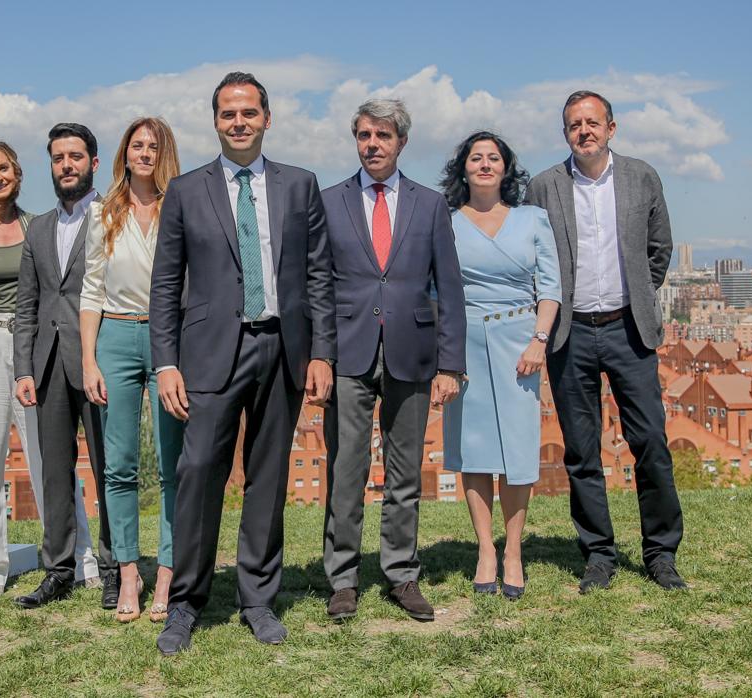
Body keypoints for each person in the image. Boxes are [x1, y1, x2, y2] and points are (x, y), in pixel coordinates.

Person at [149, 72, 336, 655]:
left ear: (266, 118)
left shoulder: (301, 186)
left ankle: (258, 598)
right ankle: (185, 603)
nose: (239, 122)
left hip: (281, 349)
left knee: (268, 478)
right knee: (198, 472)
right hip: (206, 355)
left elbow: (319, 276)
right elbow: (164, 285)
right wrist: (166, 363)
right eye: (228, 113)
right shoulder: (185, 189)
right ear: (215, 121)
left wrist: (322, 353)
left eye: (249, 112)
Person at [524, 91, 686, 593]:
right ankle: (598, 554)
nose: (584, 131)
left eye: (593, 122)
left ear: (611, 128)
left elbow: (659, 248)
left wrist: (638, 293)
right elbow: (535, 257)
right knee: (581, 450)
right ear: (566, 133)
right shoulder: (544, 186)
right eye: (575, 125)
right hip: (570, 333)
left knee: (651, 443)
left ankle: (660, 554)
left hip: (628, 329)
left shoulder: (642, 177)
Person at [320, 99, 465, 622]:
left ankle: (402, 575)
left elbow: (449, 287)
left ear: (402, 141)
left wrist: (451, 364)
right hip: (347, 355)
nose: (372, 144)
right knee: (346, 469)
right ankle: (342, 580)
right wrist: (319, 355)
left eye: (382, 135)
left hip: (414, 353)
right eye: (363, 135)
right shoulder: (329, 201)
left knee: (405, 474)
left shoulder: (430, 205)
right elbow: (317, 286)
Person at [0, 139, 98, 594]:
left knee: (51, 460)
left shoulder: (39, 225)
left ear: (19, 173)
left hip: (37, 345)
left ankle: (77, 558)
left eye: (5, 168)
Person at [440, 131, 560, 601]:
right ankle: (485, 550)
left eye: (494, 158)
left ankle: (513, 551)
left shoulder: (532, 219)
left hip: (520, 344)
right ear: (463, 168)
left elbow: (550, 287)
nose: (485, 164)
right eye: (476, 157)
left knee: (516, 450)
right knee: (473, 450)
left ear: (506, 169)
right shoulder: (445, 221)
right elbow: (437, 290)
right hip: (464, 341)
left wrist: (539, 341)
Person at [80, 117, 186, 623]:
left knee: (173, 465)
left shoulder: (183, 206)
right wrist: (88, 359)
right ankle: (128, 572)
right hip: (116, 338)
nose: (144, 153)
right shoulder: (104, 213)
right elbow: (90, 292)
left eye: (153, 146)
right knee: (118, 465)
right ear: (125, 153)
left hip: (171, 339)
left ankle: (167, 570)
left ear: (164, 153)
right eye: (137, 145)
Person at [13, 124, 120, 609]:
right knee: (55, 473)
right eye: (58, 158)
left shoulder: (114, 215)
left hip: (99, 360)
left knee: (109, 468)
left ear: (93, 163)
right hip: (48, 364)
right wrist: (23, 369)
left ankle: (117, 567)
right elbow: (27, 305)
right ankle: (59, 570)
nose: (66, 166)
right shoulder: (37, 227)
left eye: (75, 157)